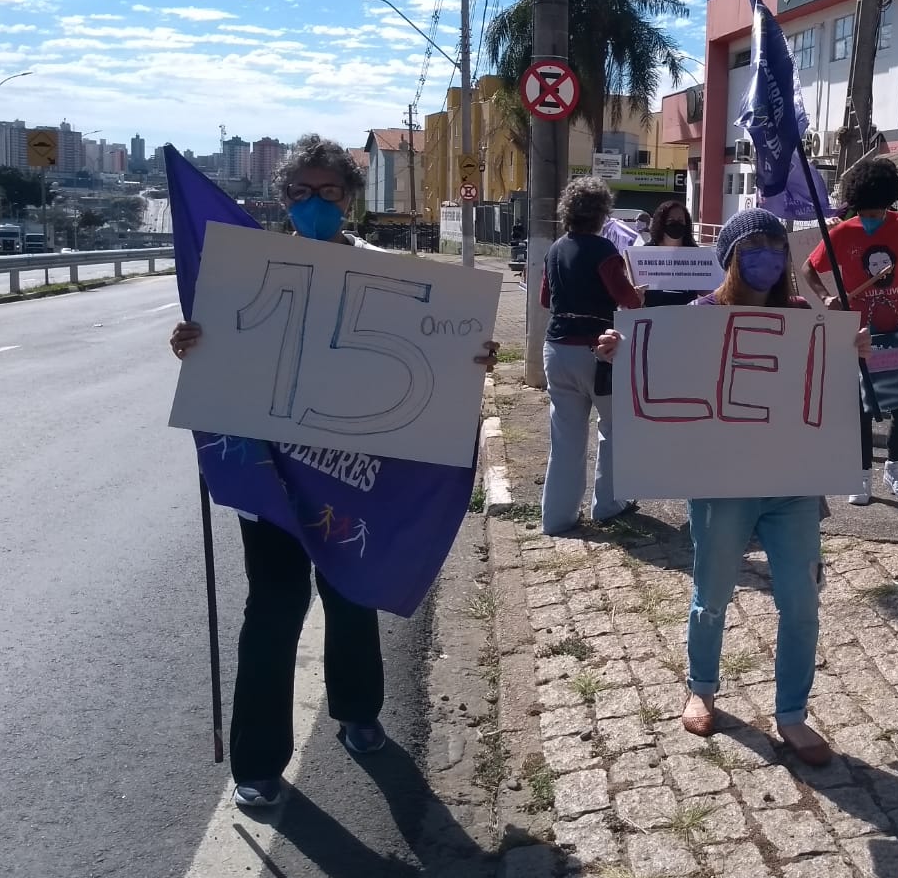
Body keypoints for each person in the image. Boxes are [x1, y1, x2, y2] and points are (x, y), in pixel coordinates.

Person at [168, 134, 500, 807]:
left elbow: (436, 356)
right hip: (270, 477)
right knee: (273, 608)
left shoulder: (394, 276)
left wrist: (472, 357)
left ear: (349, 198)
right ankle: (257, 763)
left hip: (352, 474)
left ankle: (358, 711)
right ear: (281, 199)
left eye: (328, 192)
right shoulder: (245, 274)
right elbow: (222, 362)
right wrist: (191, 345)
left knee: (351, 594)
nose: (314, 204)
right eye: (300, 193)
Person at [595, 208, 870, 765]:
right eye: (755, 249)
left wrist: (852, 353)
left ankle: (791, 715)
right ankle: (701, 687)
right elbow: (663, 369)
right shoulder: (700, 315)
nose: (767, 259)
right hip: (721, 485)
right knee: (712, 595)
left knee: (801, 603)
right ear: (731, 260)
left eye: (775, 248)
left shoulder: (802, 315)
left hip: (792, 486)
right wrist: (622, 353)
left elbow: (824, 385)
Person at [804, 157, 898, 505]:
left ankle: (895, 467)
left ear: (890, 198)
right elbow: (807, 269)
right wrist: (826, 297)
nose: (873, 216)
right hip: (858, 334)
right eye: (867, 210)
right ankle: (860, 475)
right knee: (861, 408)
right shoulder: (842, 232)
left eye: (878, 209)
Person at [539, 176, 642, 535]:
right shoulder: (604, 252)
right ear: (602, 213)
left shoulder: (554, 250)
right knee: (614, 429)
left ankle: (557, 517)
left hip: (555, 350)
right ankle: (608, 505)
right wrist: (638, 293)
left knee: (564, 439)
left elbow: (544, 300)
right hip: (597, 352)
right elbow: (628, 299)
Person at [638, 199, 703, 308]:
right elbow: (637, 297)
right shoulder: (646, 252)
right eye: (671, 220)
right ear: (661, 223)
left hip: (687, 318)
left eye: (680, 220)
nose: (676, 224)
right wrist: (638, 297)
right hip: (653, 318)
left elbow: (707, 292)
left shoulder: (695, 253)